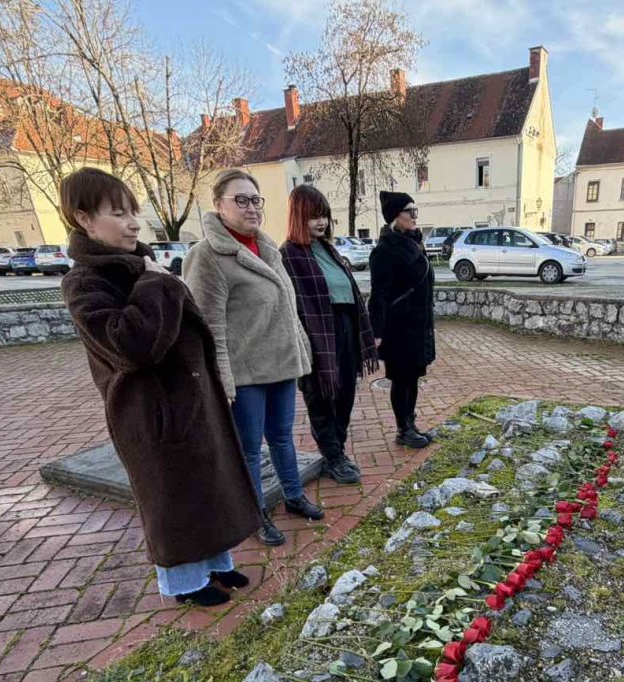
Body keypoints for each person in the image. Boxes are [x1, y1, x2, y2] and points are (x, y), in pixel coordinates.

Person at [58, 167, 260, 607]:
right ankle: (185, 582)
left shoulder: (140, 264)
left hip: (191, 399)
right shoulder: (84, 282)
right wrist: (155, 283)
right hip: (151, 411)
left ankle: (215, 563)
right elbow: (131, 345)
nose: (133, 222)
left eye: (134, 212)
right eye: (118, 213)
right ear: (84, 220)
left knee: (209, 484)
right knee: (173, 497)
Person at [183, 168, 322, 547]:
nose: (250, 208)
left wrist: (301, 351)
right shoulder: (207, 256)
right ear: (218, 205)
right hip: (245, 373)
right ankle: (254, 513)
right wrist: (223, 378)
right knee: (248, 447)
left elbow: (286, 310)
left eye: (255, 200)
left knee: (281, 436)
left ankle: (293, 496)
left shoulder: (267, 247)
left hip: (280, 364)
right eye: (239, 200)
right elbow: (208, 327)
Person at [279, 186, 381, 485]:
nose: (321, 222)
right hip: (316, 335)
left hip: (345, 327)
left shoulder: (329, 249)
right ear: (299, 217)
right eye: (313, 216)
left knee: (346, 393)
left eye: (323, 215)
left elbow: (349, 292)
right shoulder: (289, 255)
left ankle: (337, 449)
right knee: (322, 397)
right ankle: (334, 456)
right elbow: (291, 304)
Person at [368, 191, 435, 449]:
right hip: (398, 327)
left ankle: (411, 423)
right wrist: (376, 332)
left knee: (413, 376)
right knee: (401, 378)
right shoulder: (384, 251)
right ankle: (402, 429)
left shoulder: (414, 242)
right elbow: (379, 295)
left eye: (416, 211)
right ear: (396, 216)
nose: (415, 216)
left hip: (419, 325)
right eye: (410, 211)